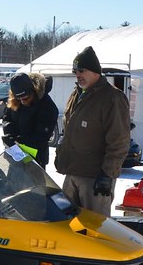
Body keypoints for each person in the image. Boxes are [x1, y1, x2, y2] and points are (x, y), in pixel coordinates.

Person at [54, 46, 130, 217]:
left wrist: (107, 174)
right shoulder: (77, 94)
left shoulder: (112, 98)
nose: (77, 74)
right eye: (75, 71)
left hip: (95, 178)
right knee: (68, 224)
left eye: (81, 70)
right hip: (72, 172)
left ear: (95, 71)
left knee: (95, 227)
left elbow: (119, 141)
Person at [2, 71, 59, 168]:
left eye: (25, 98)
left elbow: (42, 136)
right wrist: (9, 133)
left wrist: (18, 140)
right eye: (18, 99)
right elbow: (7, 118)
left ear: (33, 91)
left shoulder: (46, 105)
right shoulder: (16, 100)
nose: (22, 101)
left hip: (35, 158)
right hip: (15, 155)